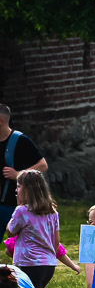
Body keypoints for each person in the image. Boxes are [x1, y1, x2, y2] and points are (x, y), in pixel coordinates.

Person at [6, 169, 76, 288]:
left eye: (19, 186)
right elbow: (56, 242)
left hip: (28, 266)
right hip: (48, 266)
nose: (16, 190)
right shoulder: (52, 212)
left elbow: (11, 231)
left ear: (27, 190)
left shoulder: (21, 211)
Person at [0, 103, 49, 240]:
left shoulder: (21, 140)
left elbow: (43, 165)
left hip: (13, 204)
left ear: (1, 121)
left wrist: (19, 175)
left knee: (21, 243)